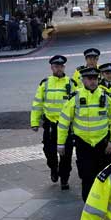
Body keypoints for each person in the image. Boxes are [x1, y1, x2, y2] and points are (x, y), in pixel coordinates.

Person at [57, 66, 111, 201]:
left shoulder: (106, 97)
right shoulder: (75, 98)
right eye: (89, 79)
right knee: (86, 175)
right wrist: (60, 143)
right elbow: (64, 122)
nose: (93, 81)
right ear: (83, 80)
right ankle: (88, 202)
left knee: (102, 174)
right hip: (83, 143)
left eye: (95, 78)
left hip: (102, 143)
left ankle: (102, 201)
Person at [31, 55, 74, 190]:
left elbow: (77, 105)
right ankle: (54, 168)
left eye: (61, 66)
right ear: (51, 68)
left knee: (66, 154)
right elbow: (37, 103)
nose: (59, 68)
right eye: (56, 66)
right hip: (50, 124)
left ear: (64, 67)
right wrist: (34, 122)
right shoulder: (45, 83)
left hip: (66, 125)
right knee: (49, 151)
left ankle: (64, 178)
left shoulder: (71, 83)